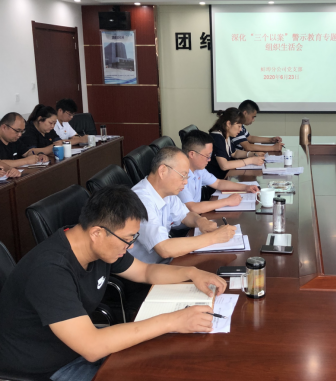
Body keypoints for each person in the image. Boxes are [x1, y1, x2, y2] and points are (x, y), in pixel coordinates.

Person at [0, 185, 227, 381]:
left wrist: (192, 272)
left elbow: (146, 271)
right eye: (128, 239)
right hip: (45, 366)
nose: (130, 246)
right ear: (97, 233)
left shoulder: (99, 246)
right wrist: (174, 320)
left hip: (76, 344)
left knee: (169, 356)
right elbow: (92, 346)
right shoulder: (50, 270)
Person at [128, 146, 237, 265]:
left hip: (168, 262)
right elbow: (164, 248)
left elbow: (185, 215)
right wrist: (214, 237)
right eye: (183, 176)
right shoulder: (141, 200)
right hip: (149, 269)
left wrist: (200, 221)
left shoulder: (166, 192)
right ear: (163, 171)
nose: (185, 182)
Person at [178, 129, 260, 213]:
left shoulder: (198, 170)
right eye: (207, 156)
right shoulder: (180, 176)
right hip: (186, 219)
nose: (209, 160)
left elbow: (218, 183)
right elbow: (192, 208)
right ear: (192, 154)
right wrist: (227, 201)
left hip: (195, 216)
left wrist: (246, 187)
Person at [206, 107, 265, 180]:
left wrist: (251, 154)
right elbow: (224, 165)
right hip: (215, 180)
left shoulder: (225, 135)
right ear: (228, 123)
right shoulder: (217, 137)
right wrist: (250, 160)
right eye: (239, 126)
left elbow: (234, 153)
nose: (240, 130)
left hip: (224, 177)